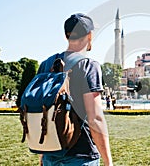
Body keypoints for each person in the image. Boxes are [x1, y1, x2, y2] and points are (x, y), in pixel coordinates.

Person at [38, 13, 113, 166]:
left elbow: (41, 113)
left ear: (67, 36)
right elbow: (95, 119)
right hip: (81, 155)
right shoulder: (88, 66)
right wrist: (108, 162)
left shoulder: (46, 65)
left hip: (50, 154)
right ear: (89, 35)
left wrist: (42, 155)